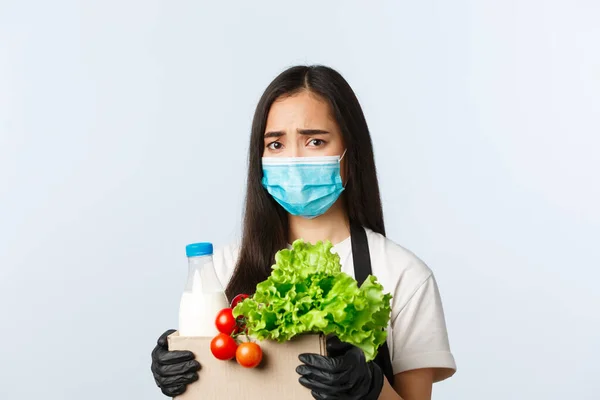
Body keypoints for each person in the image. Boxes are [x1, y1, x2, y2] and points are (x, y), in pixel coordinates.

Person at [150, 65, 457, 400]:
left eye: (314, 141)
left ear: (350, 153)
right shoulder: (220, 269)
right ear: (261, 156)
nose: (293, 160)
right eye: (276, 144)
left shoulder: (404, 276)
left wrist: (371, 385)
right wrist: (182, 366)